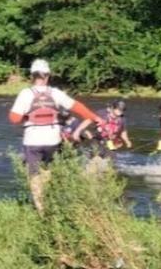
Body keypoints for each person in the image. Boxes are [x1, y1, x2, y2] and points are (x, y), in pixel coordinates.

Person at [8, 59, 100, 209]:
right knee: (48, 170)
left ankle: (41, 208)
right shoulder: (56, 93)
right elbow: (78, 107)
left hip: (33, 140)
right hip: (53, 140)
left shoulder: (26, 94)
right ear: (48, 75)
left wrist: (28, 117)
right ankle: (51, 202)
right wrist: (96, 118)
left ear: (32, 76)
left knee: (34, 175)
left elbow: (14, 118)